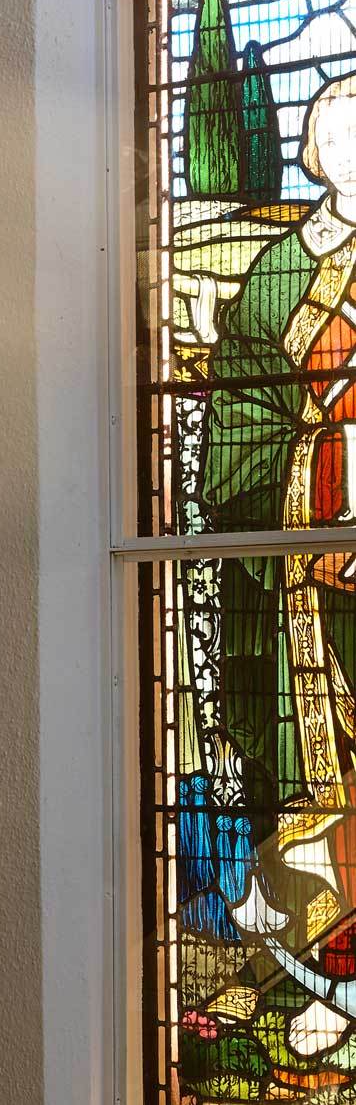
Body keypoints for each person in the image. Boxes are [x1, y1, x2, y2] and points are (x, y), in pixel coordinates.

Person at [204, 73, 356, 1044]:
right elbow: (237, 411)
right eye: (342, 139)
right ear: (317, 156)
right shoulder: (280, 271)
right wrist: (310, 489)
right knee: (312, 769)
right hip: (310, 569)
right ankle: (319, 975)